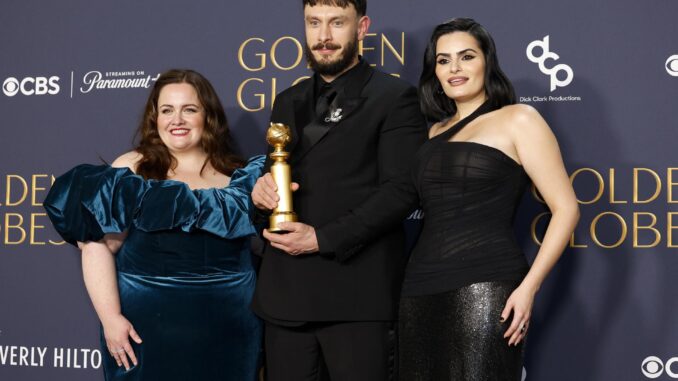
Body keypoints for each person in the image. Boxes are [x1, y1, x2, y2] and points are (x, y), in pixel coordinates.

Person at [43, 69, 264, 381]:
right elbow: (98, 245)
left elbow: (259, 247)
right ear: (154, 117)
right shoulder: (131, 170)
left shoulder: (240, 177)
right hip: (146, 330)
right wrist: (111, 318)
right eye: (167, 110)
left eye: (190, 109)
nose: (177, 120)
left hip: (231, 330)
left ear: (208, 116)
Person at [249, 0, 427, 380]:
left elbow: (401, 191)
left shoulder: (394, 97)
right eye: (314, 23)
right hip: (286, 297)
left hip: (356, 297)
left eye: (336, 23)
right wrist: (260, 197)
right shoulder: (287, 101)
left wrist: (323, 239)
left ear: (362, 28)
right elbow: (275, 181)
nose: (323, 37)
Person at [397, 18, 580, 380]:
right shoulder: (432, 131)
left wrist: (528, 287)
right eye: (443, 60)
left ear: (487, 62)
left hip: (486, 288)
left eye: (466, 57)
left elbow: (566, 209)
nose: (455, 69)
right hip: (418, 290)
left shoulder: (518, 119)